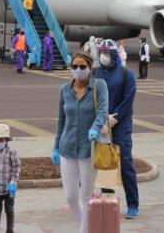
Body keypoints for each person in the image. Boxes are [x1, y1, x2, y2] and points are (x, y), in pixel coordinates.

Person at [51, 52, 108, 233]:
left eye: (82, 67)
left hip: (88, 148)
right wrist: (55, 146)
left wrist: (95, 127)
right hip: (67, 148)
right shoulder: (64, 90)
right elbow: (61, 120)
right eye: (74, 66)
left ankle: (84, 230)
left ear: (90, 69)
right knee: (70, 196)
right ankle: (89, 226)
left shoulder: (99, 86)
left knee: (86, 196)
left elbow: (103, 111)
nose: (78, 70)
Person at [94, 40, 140, 219]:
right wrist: (101, 120)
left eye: (106, 53)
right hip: (102, 126)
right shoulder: (96, 72)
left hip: (120, 125)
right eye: (101, 52)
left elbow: (128, 99)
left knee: (126, 164)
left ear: (113, 54)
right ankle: (109, 201)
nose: (104, 56)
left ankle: (133, 204)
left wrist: (115, 118)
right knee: (106, 164)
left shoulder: (125, 73)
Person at [0, 124, 20, 233]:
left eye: (0, 139)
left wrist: (14, 181)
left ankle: (9, 230)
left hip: (8, 189)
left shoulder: (12, 152)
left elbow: (16, 168)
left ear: (6, 139)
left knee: (9, 210)